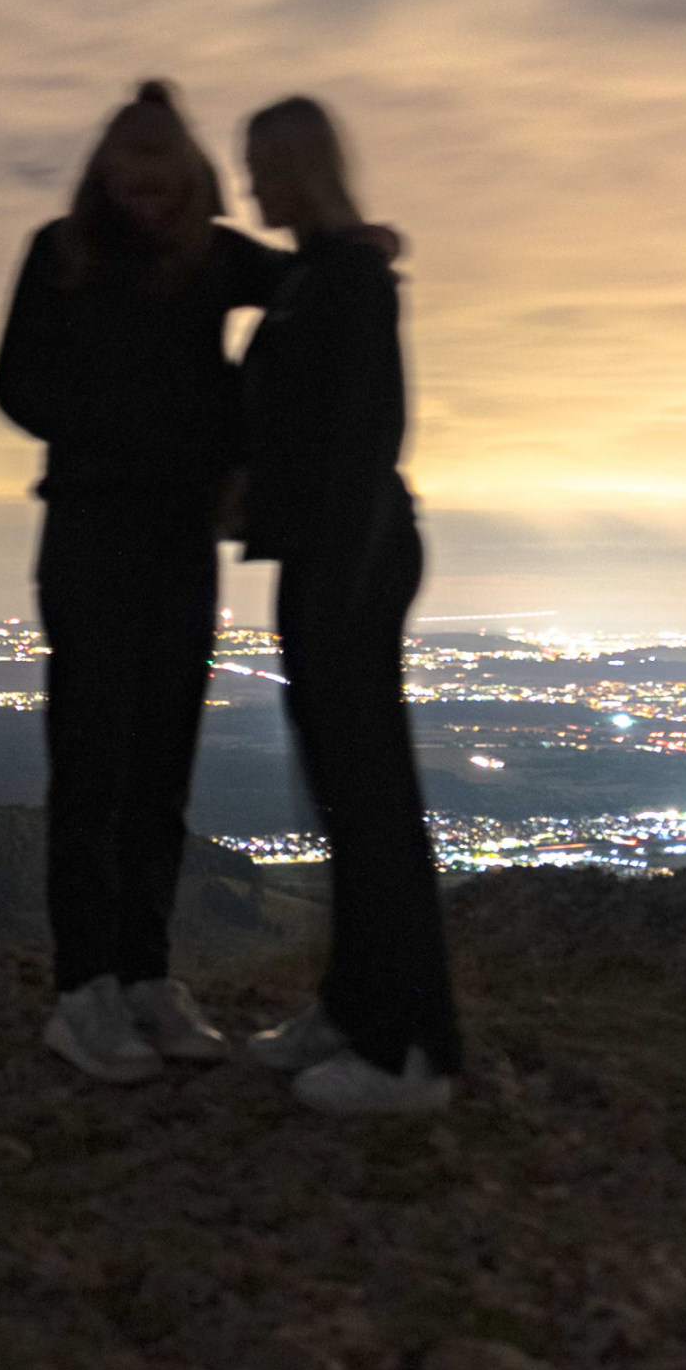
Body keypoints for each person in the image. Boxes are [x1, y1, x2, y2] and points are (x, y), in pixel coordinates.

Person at [0, 80, 289, 1083]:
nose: (151, 204)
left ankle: (146, 976)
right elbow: (14, 382)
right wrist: (128, 431)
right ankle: (84, 992)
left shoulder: (213, 256)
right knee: (93, 768)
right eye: (135, 186)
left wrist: (351, 247)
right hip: (89, 530)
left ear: (191, 181)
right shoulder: (61, 252)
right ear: (106, 180)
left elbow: (300, 286)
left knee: (161, 765)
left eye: (166, 187)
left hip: (178, 540)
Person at [238, 94, 461, 1117]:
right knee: (340, 790)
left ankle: (410, 1047)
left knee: (368, 796)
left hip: (352, 555)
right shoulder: (316, 275)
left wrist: (336, 565)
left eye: (264, 169)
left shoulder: (348, 282)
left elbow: (370, 435)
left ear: (302, 168)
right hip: (329, 552)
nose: (253, 190)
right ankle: (353, 1002)